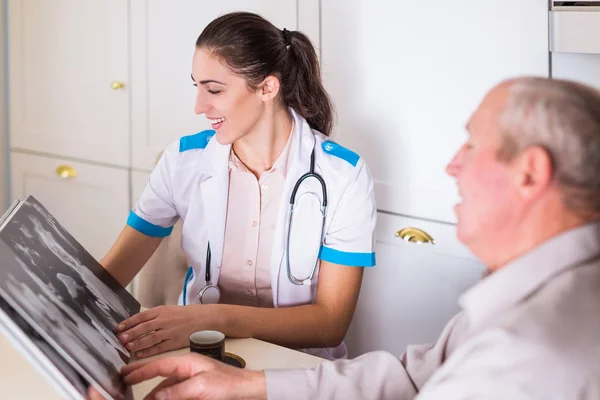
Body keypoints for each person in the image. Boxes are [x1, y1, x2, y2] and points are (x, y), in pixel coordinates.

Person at [112, 76, 600, 399]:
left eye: (472, 143)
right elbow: (410, 376)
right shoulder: (536, 302)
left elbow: (330, 325)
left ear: (531, 174)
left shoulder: (532, 352)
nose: (453, 164)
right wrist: (248, 386)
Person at [99, 11, 376, 361]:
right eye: (197, 87)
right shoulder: (183, 160)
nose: (199, 106)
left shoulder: (342, 175)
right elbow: (111, 272)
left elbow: (330, 322)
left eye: (214, 90)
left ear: (267, 87)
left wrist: (213, 318)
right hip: (201, 353)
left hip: (298, 365)